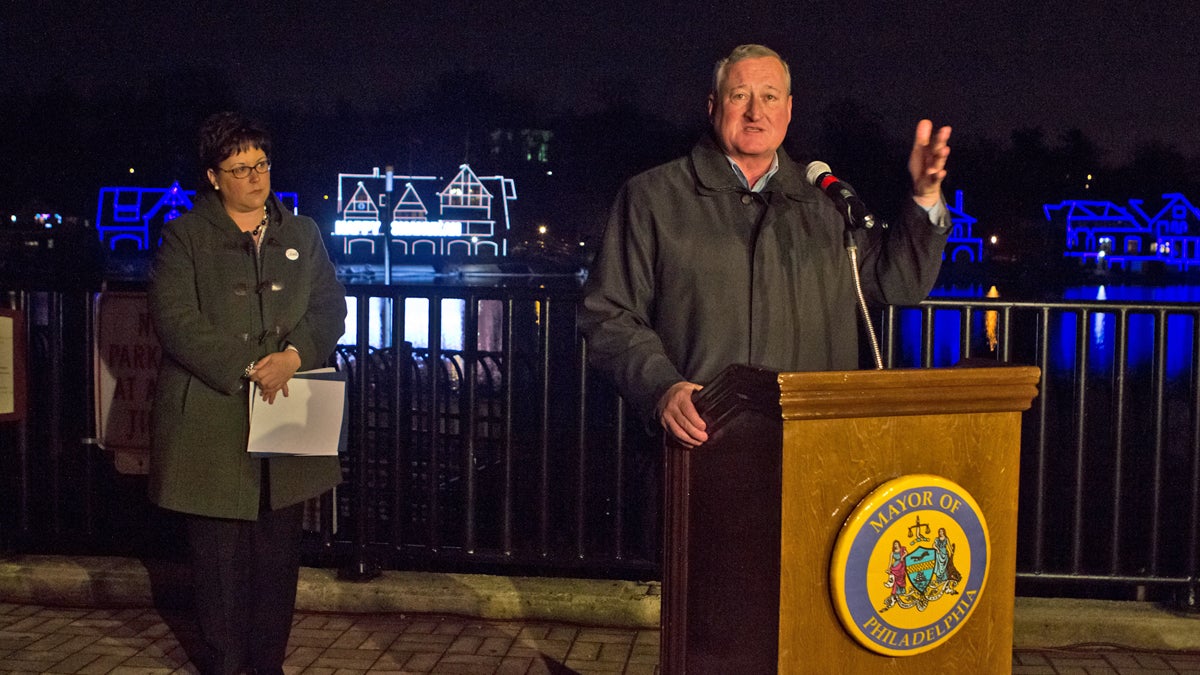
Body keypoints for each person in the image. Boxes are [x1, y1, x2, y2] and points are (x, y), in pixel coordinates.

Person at [579, 44, 953, 447]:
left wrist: (925, 197)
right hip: (702, 444)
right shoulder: (652, 196)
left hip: (815, 445)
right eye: (740, 96)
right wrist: (661, 389)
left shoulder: (828, 202)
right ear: (712, 106)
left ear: (789, 110)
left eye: (770, 97)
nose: (755, 112)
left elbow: (898, 284)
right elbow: (609, 314)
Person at [148, 111, 347, 674]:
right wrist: (248, 367)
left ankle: (268, 667)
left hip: (288, 413)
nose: (255, 177)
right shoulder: (183, 235)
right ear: (213, 177)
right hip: (210, 420)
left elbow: (330, 306)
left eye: (260, 164)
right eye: (239, 168)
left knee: (278, 561)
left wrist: (292, 357)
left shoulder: (303, 232)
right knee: (217, 565)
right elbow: (175, 319)